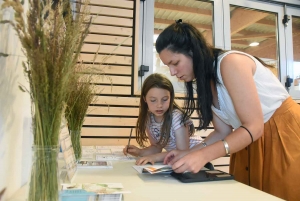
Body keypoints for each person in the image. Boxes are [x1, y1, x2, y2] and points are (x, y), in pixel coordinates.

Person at [155, 20, 300, 201]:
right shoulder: (206, 80)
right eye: (168, 66)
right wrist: (191, 153)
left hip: (282, 134)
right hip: (248, 139)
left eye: (175, 63)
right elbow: (222, 131)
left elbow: (254, 126)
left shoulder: (231, 63)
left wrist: (203, 155)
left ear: (192, 51)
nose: (172, 72)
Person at [123, 73, 202, 165]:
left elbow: (182, 152)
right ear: (145, 99)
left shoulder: (177, 117)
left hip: (197, 157)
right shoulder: (149, 119)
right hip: (179, 159)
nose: (159, 105)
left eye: (164, 99)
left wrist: (155, 157)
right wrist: (140, 152)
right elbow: (157, 147)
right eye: (153, 100)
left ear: (171, 98)